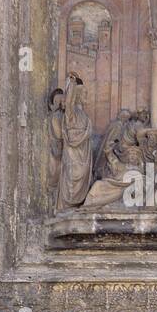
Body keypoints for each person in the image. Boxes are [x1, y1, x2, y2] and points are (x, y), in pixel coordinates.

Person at [57, 72, 94, 210]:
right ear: (77, 95)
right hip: (73, 153)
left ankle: (77, 205)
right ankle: (67, 207)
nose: (86, 96)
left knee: (81, 179)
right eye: (84, 93)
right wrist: (72, 84)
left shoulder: (84, 115)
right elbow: (69, 104)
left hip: (83, 153)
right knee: (71, 178)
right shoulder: (72, 113)